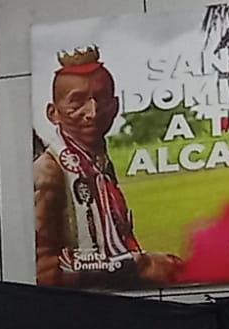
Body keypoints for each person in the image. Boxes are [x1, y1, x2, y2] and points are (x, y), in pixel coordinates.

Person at [34, 45, 183, 290]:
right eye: (77, 102)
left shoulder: (100, 165)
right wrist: (134, 267)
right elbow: (43, 273)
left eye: (101, 100)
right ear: (53, 113)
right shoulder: (49, 172)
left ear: (115, 106)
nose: (92, 113)